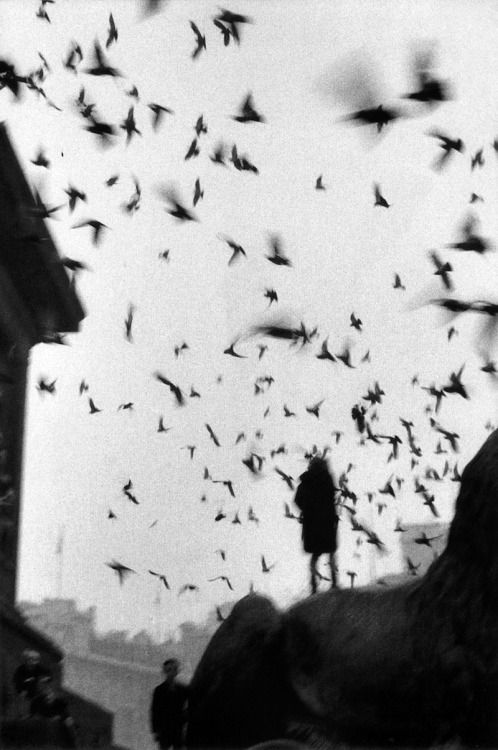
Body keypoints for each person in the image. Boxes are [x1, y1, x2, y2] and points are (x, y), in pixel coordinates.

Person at [294, 455, 339, 594]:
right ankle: (334, 582)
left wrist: (307, 510)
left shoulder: (305, 481)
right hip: (326, 521)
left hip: (311, 523)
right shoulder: (326, 478)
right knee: (330, 551)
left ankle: (314, 587)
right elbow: (332, 497)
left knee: (315, 555)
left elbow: (297, 500)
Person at [151, 658, 189, 749]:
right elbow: (154, 711)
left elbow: (193, 701)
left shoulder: (183, 689)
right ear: (164, 672)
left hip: (178, 730)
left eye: (174, 669)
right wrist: (155, 730)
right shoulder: (159, 690)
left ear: (177, 672)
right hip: (164, 730)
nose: (171, 673)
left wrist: (184, 717)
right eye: (169, 670)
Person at [13, 650, 52, 717]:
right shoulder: (21, 669)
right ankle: (21, 714)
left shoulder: (38, 667)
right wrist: (27, 680)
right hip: (22, 688)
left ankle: (38, 712)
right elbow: (16, 679)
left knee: (44, 693)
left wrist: (47, 678)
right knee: (23, 695)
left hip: (33, 688)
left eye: (35, 660)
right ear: (27, 660)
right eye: (30, 660)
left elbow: (48, 673)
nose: (32, 662)